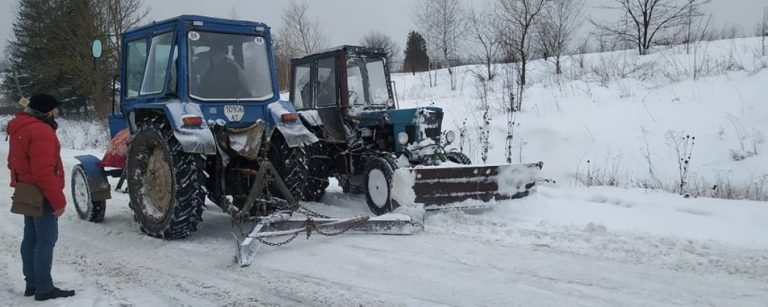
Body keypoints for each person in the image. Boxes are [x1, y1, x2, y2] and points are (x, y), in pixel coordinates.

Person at [6, 93, 75, 301]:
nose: (58, 112)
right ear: (47, 110)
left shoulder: (20, 127)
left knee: (31, 238)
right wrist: (58, 201)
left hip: (27, 191)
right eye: (56, 108)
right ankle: (44, 288)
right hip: (41, 192)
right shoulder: (41, 131)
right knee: (46, 239)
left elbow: (13, 162)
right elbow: (43, 172)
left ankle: (32, 284)